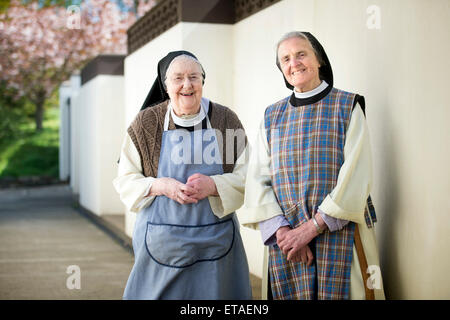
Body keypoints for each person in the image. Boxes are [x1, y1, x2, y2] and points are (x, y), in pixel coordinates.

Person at [239, 31, 386, 300]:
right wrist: (285, 234)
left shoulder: (347, 105)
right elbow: (257, 178)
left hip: (340, 233)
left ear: (318, 59)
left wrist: (310, 229)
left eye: (301, 54)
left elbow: (357, 174)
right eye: (285, 59)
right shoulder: (272, 116)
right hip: (288, 243)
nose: (293, 63)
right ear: (282, 70)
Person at [113, 50, 252, 300]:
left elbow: (249, 176)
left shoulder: (225, 120)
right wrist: (160, 186)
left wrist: (214, 185)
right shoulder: (146, 124)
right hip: (162, 244)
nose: (187, 85)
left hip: (216, 241)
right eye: (178, 78)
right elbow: (124, 180)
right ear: (165, 86)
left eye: (194, 77)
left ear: (202, 82)